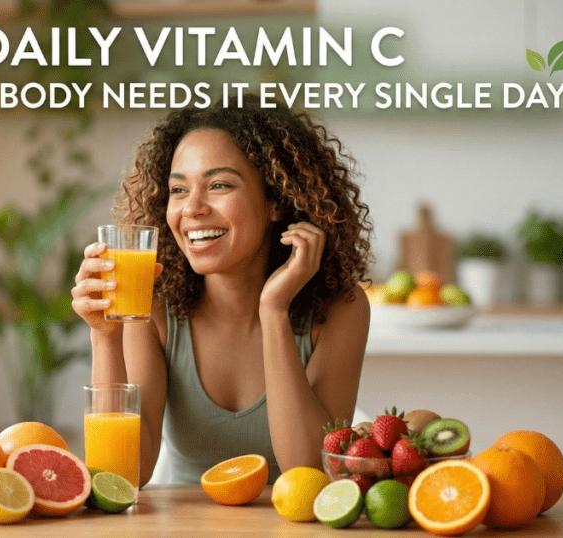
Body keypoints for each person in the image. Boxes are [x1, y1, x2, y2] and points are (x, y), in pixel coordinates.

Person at [71, 95, 373, 485]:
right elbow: (120, 477)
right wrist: (104, 336)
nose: (192, 208)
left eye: (218, 185)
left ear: (275, 201)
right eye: (178, 190)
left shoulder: (341, 309)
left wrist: (274, 311)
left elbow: (309, 472)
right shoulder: (154, 305)